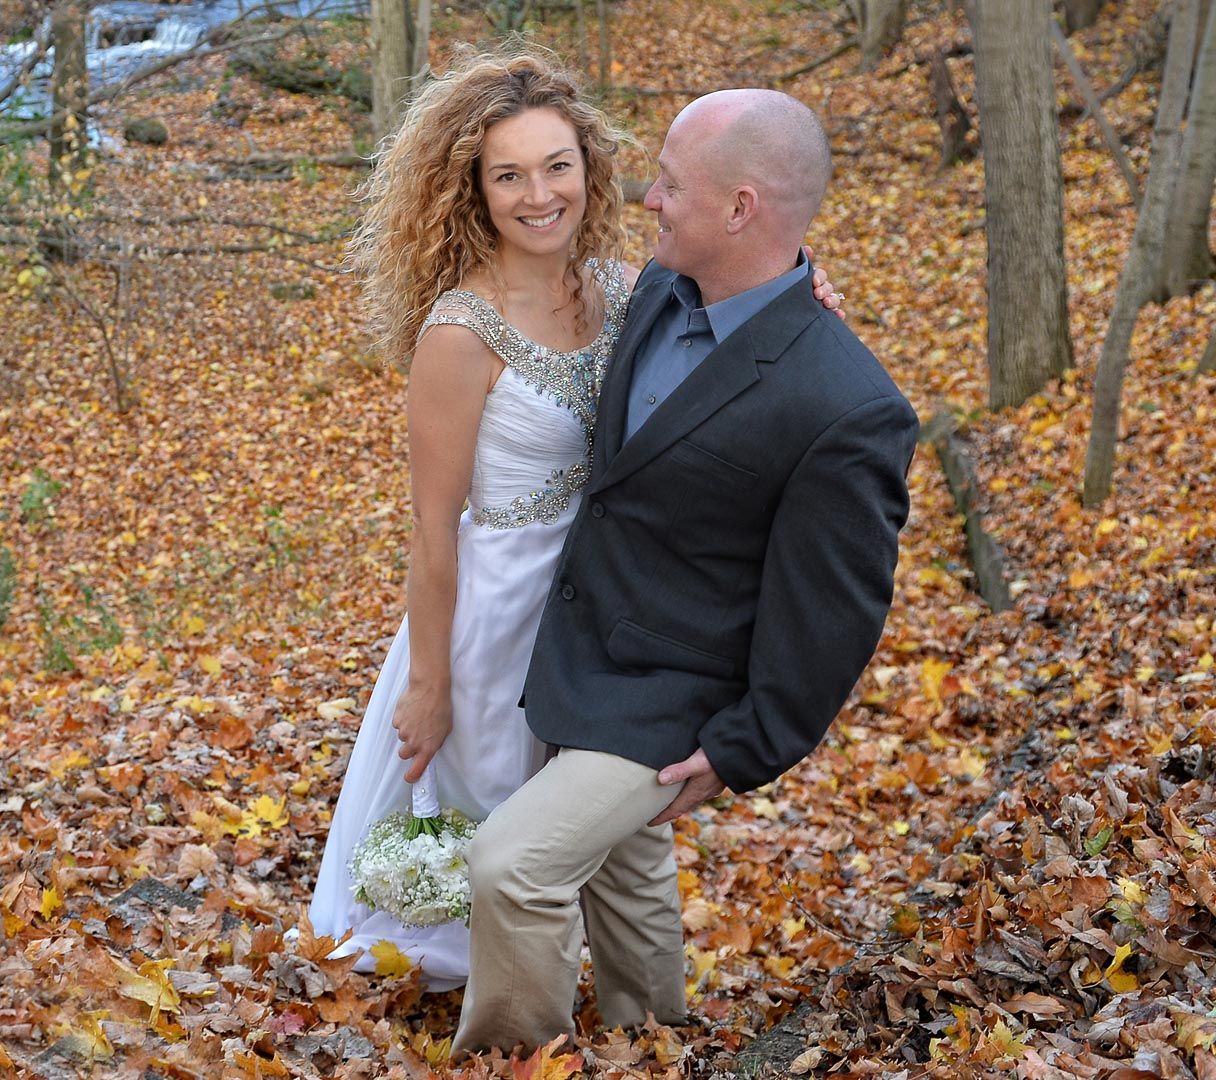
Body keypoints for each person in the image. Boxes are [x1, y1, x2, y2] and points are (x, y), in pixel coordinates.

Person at [306, 53, 843, 990]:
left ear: (590, 167)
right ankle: (465, 993)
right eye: (507, 174)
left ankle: (625, 1006)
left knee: (589, 816)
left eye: (558, 165)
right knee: (486, 805)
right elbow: (433, 532)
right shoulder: (459, 334)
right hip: (496, 610)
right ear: (472, 189)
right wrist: (428, 681)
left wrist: (810, 295)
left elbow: (735, 332)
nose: (538, 193)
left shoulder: (629, 287)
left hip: (608, 599)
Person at [451, 88, 918, 1055]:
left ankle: (513, 1061)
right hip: (573, 640)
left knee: (509, 868)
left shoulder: (846, 407)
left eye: (671, 183)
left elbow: (837, 610)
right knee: (625, 869)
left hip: (675, 693)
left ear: (742, 208)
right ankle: (655, 1042)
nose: (650, 199)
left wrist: (750, 742)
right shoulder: (657, 290)